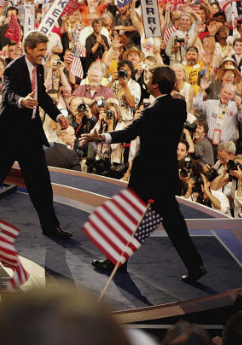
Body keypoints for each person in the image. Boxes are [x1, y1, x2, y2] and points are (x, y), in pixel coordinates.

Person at [80, 66, 206, 283]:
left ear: (155, 85)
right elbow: (170, 97)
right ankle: (195, 265)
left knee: (127, 217)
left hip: (146, 176)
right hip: (166, 175)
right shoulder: (178, 105)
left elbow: (128, 133)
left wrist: (99, 137)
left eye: (149, 78)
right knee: (174, 222)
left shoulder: (151, 113)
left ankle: (116, 262)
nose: (146, 80)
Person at [0, 31, 72, 239]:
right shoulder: (12, 69)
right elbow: (7, 94)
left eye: (45, 50)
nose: (44, 54)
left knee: (41, 183)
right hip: (9, 136)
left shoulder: (41, 68)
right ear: (29, 49)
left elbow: (42, 97)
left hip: (30, 136)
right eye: (41, 50)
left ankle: (50, 226)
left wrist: (58, 114)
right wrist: (21, 101)